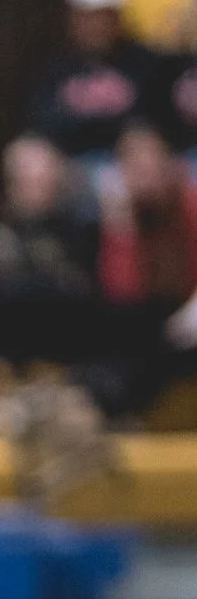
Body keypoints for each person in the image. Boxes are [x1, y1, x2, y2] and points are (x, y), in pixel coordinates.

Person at [0, 137, 104, 389]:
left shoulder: (81, 230)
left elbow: (82, 291)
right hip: (12, 347)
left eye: (42, 180)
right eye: (26, 180)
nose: (36, 188)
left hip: (71, 345)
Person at [91, 125, 197, 414]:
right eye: (134, 167)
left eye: (151, 164)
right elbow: (122, 296)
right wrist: (122, 231)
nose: (144, 176)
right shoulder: (123, 218)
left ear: (171, 165)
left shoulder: (191, 205)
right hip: (153, 332)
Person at [24, 0, 168, 161]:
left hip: (127, 161)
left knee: (143, 147)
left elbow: (159, 118)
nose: (96, 25)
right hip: (68, 160)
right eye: (87, 16)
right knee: (29, 156)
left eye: (104, 16)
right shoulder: (51, 63)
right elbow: (39, 121)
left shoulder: (144, 62)